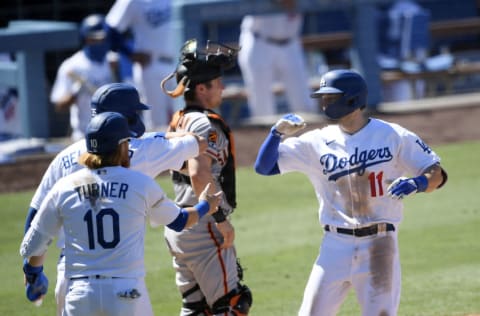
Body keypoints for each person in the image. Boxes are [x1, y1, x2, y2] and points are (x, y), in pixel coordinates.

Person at [254, 69, 448, 315]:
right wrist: (276, 134)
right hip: (334, 245)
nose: (324, 102)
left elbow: (436, 173)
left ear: (353, 99)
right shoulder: (316, 141)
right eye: (323, 97)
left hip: (380, 246)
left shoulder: (392, 135)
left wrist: (418, 183)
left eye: (331, 97)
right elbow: (265, 166)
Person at [22, 82, 207, 315]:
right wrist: (206, 205)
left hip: (73, 279)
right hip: (125, 282)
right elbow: (198, 144)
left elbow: (35, 219)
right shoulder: (145, 151)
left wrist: (32, 272)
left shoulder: (64, 160)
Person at [160, 39, 252, 315]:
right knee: (232, 305)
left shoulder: (181, 119)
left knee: (196, 308)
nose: (223, 87)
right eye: (217, 82)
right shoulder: (203, 122)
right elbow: (200, 175)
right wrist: (222, 222)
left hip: (179, 224)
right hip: (203, 224)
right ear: (201, 88)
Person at [237, 0, 315, 122]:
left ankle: (307, 139)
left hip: (291, 43)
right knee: (262, 108)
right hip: (260, 42)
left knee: (305, 104)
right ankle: (265, 140)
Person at [106, 0, 175, 130]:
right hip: (153, 64)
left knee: (187, 116)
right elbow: (110, 29)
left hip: (181, 61)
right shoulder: (131, 2)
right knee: (157, 124)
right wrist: (130, 53)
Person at [50, 14, 117, 141]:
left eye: (103, 38)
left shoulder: (113, 61)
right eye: (95, 38)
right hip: (85, 134)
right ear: (86, 39)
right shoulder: (72, 66)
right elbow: (59, 105)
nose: (100, 42)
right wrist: (75, 92)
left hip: (113, 130)